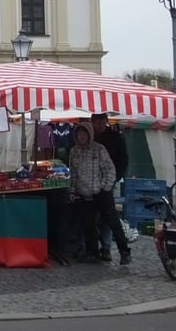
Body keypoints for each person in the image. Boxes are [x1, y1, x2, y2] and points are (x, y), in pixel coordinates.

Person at [68, 121, 131, 265]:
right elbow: (73, 173)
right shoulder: (74, 152)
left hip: (101, 192)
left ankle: (124, 251)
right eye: (79, 134)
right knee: (88, 224)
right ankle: (92, 252)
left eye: (84, 134)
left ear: (89, 134)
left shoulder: (99, 149)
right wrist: (72, 190)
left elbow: (110, 170)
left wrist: (105, 187)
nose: (82, 136)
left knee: (112, 222)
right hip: (84, 193)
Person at [91, 113, 129, 261]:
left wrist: (114, 179)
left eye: (103, 122)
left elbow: (123, 160)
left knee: (109, 217)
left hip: (107, 184)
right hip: (88, 185)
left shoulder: (115, 137)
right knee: (90, 218)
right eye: (98, 122)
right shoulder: (87, 136)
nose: (101, 125)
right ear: (92, 122)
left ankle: (108, 248)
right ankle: (90, 249)